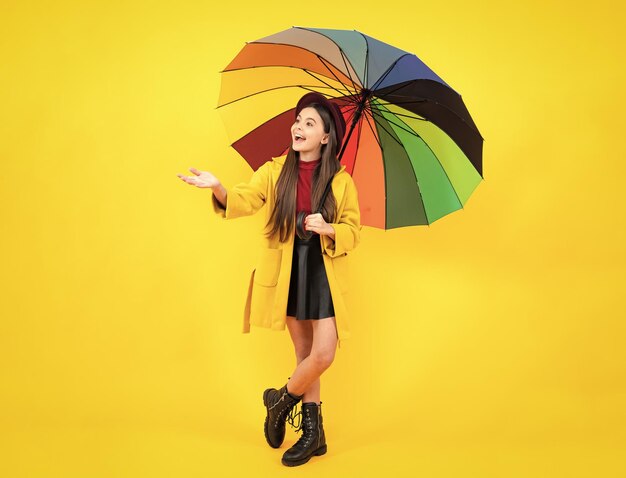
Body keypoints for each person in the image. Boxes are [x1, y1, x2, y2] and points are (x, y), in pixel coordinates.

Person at [177, 92, 361, 467]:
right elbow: (245, 198)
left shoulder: (342, 183)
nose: (298, 127)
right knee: (303, 355)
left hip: (322, 271)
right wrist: (218, 187)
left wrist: (329, 228)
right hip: (288, 271)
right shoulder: (275, 171)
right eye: (298, 121)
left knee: (322, 353)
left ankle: (280, 402)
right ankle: (314, 434)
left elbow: (353, 232)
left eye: (310, 123)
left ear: (326, 137)